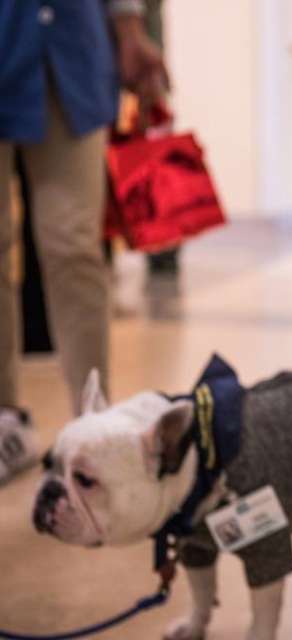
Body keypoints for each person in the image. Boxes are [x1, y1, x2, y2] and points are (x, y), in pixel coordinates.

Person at [0, 0, 169, 480]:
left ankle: (93, 422)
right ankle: (4, 422)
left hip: (70, 45)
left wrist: (130, 28)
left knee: (74, 244)